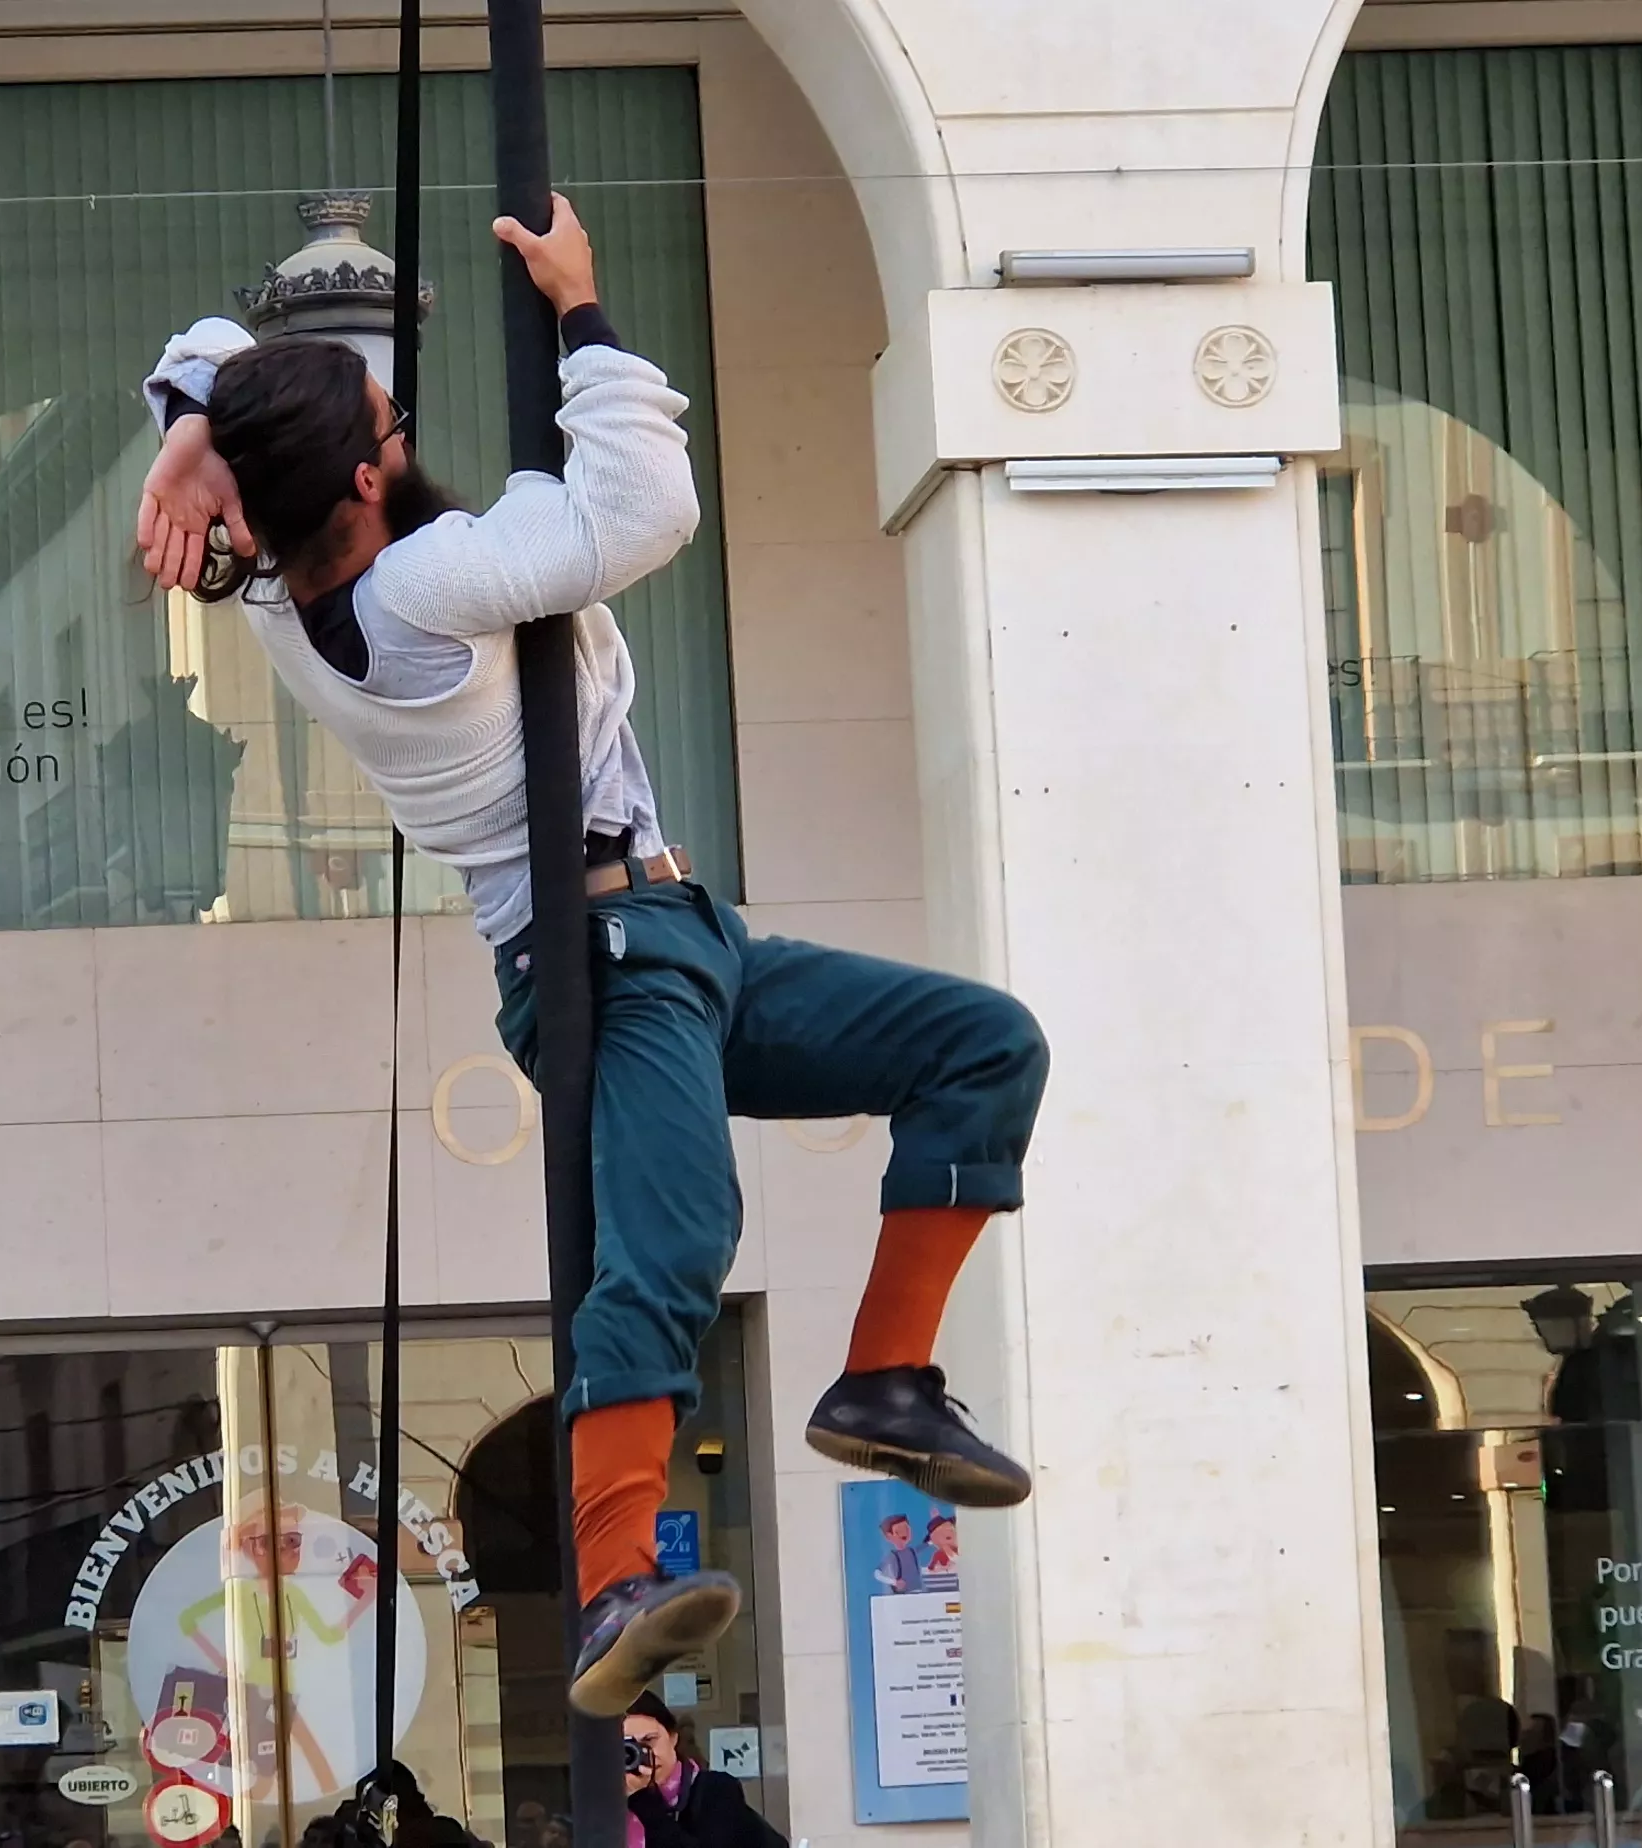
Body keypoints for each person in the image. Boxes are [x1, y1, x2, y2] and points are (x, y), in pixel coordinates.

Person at [136, 194, 1052, 1720]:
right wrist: (579, 307)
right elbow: (639, 513)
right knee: (677, 1244)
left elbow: (216, 351)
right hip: (605, 951)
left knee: (983, 1046)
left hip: (682, 936)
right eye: (387, 415)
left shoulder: (309, 593)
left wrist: (186, 430)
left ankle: (885, 1381)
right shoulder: (420, 595)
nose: (401, 412)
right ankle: (616, 1569)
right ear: (365, 480)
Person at [621, 1694, 782, 1848]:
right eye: (629, 1749)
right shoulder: (604, 1802)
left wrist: (641, 1798)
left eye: (649, 1740)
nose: (644, 1753)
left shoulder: (714, 1791)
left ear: (673, 1737)